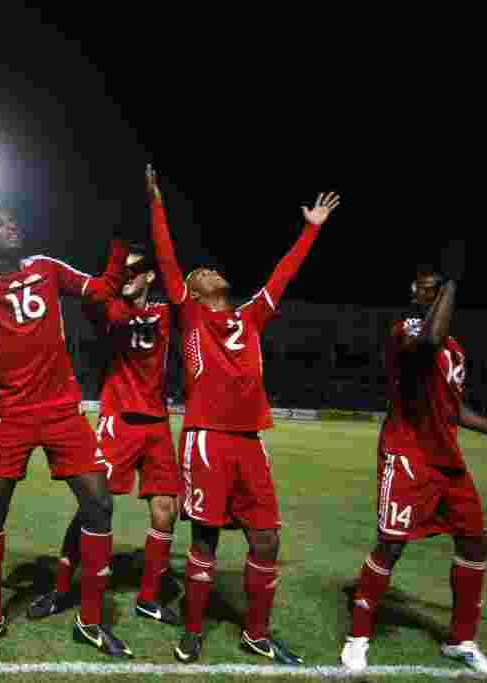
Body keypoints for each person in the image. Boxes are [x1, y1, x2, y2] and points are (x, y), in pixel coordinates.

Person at [146, 165, 340, 664]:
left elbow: (283, 273)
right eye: (199, 273)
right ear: (190, 291)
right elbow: (168, 261)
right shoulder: (189, 314)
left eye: (207, 269)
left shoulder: (250, 316)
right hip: (206, 438)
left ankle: (257, 631)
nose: (207, 269)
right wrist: (157, 205)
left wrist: (311, 228)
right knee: (205, 536)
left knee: (267, 538)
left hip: (249, 439)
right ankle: (191, 629)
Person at [340, 261, 487, 677]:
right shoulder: (406, 330)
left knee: (476, 544)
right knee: (391, 544)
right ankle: (358, 639)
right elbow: (429, 340)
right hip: (407, 457)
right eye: (426, 289)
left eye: (437, 289)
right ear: (414, 293)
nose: (431, 294)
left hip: (447, 462)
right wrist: (452, 283)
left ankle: (461, 641)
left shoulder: (455, 349)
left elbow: (453, 408)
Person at [0, 202, 135, 656]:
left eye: (13, 222)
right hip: (12, 413)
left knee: (99, 504)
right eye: (0, 226)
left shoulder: (46, 267)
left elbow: (103, 289)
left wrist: (119, 243)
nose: (12, 228)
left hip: (62, 409)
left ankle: (89, 621)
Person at [28, 241, 181, 627]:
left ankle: (149, 597)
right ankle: (63, 589)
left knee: (166, 511)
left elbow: (174, 277)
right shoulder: (110, 309)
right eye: (122, 272)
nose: (126, 277)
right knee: (93, 505)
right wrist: (113, 276)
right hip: (118, 420)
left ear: (149, 276)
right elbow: (95, 298)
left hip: (157, 422)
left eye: (134, 272)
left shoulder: (166, 312)